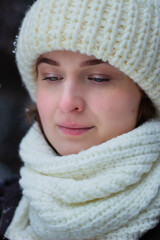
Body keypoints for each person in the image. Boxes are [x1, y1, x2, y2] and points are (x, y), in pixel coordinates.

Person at [0, 0, 160, 239]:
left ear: (146, 93)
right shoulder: (6, 205)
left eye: (98, 78)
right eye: (52, 77)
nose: (67, 103)